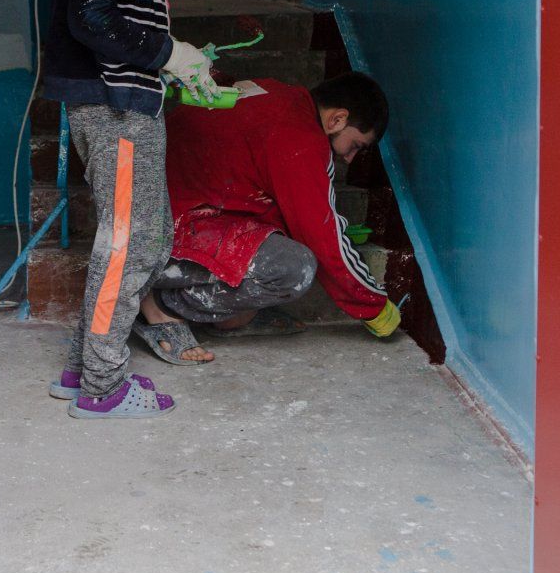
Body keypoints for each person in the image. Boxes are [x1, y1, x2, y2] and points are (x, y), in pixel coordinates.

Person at [30, 0, 219, 419]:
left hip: (124, 97)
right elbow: (91, 16)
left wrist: (168, 61)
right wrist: (169, 53)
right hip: (114, 104)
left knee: (146, 237)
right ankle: (104, 387)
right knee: (130, 243)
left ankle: (84, 366)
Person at [134, 71, 403, 360]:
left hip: (155, 207)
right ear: (337, 119)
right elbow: (323, 238)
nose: (349, 158)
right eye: (356, 146)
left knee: (280, 224)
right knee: (293, 268)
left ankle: (228, 315)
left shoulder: (276, 94)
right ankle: (161, 303)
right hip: (159, 232)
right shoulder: (301, 137)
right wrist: (374, 306)